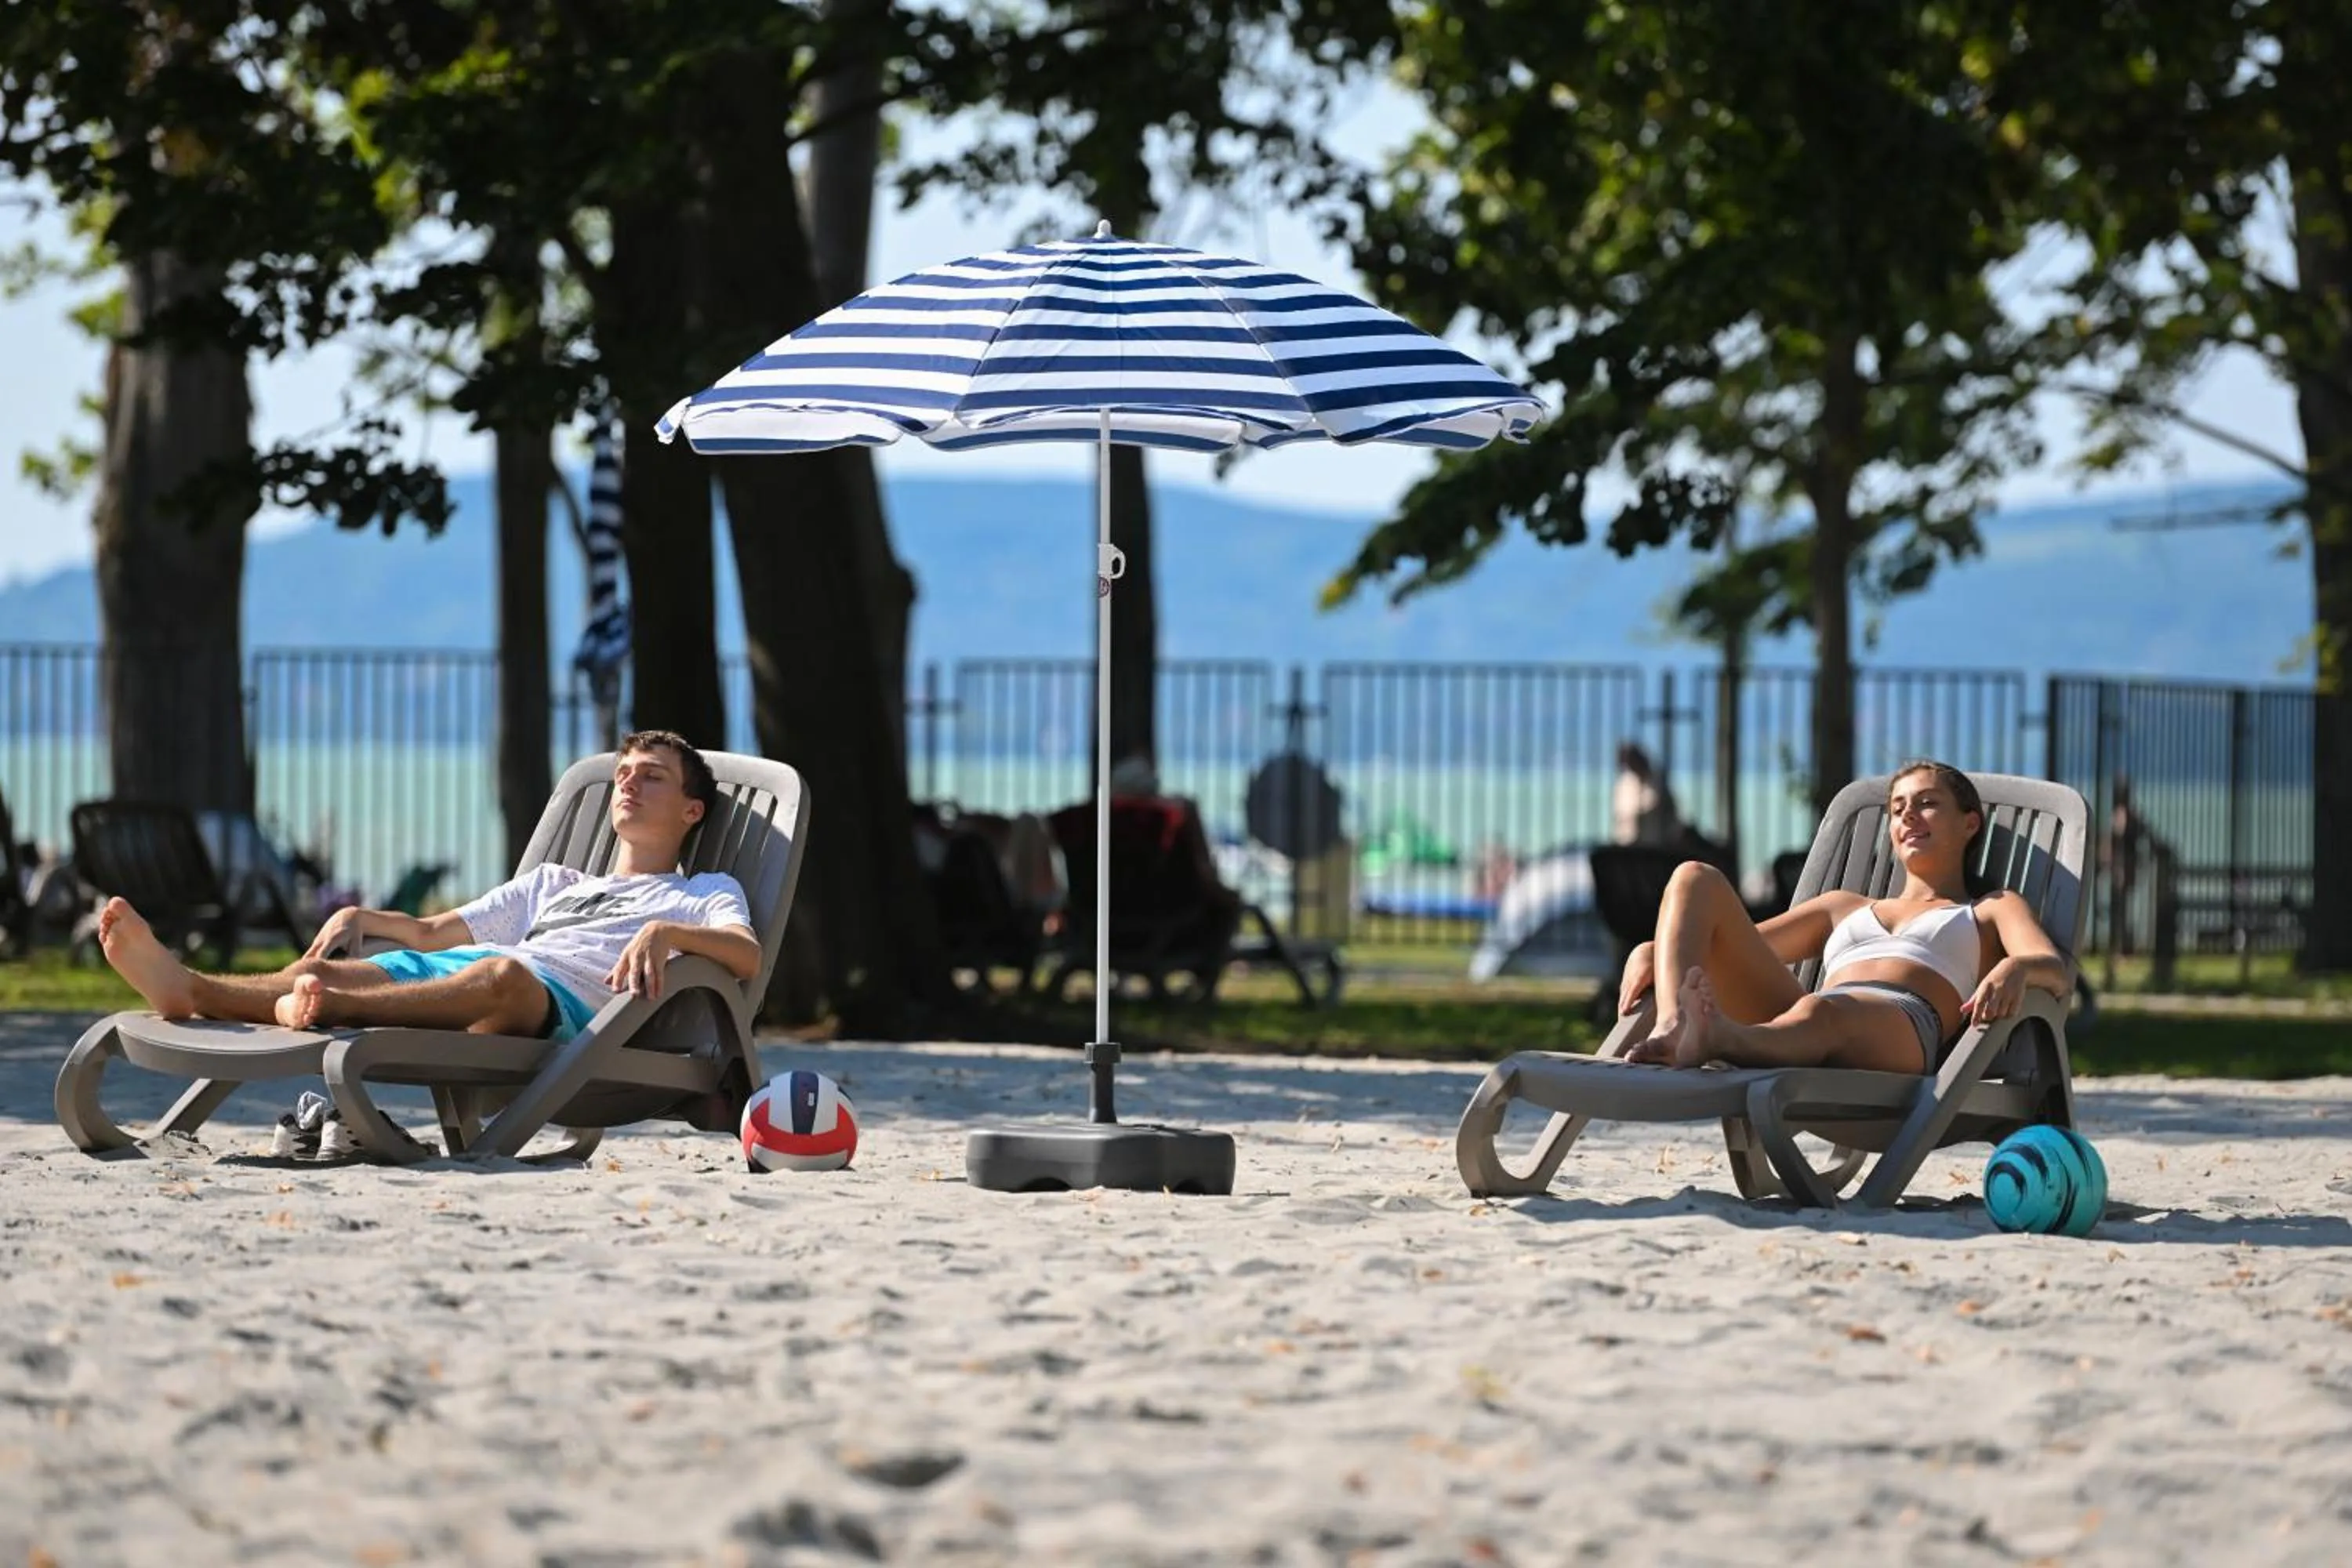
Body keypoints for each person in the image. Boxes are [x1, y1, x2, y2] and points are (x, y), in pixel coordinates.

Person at [95, 731, 760, 1042]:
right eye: (624, 774)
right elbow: (437, 934)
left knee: (502, 974)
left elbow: (745, 953)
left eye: (652, 777)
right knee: (338, 968)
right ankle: (192, 988)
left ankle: (330, 1008)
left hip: (546, 999)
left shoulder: (699, 891)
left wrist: (666, 932)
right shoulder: (554, 882)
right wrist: (363, 914)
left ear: (691, 811)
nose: (628, 784)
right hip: (466, 972)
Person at [1617, 760, 2071, 1073]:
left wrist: (2016, 967)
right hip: (1800, 1022)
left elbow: (2054, 970)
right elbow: (1733, 945)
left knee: (1821, 1008)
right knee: (1694, 875)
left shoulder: (1990, 907)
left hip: (1903, 1028)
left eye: (1927, 803)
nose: (1909, 814)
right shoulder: (1842, 906)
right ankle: (1677, 1026)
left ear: (1969, 824)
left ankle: (1717, 1039)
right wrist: (1652, 952)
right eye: (1897, 809)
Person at [1611, 742, 1682, 847]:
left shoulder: (1658, 780)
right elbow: (1620, 814)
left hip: (1654, 843)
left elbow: (1669, 811)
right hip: (1627, 842)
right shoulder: (1625, 783)